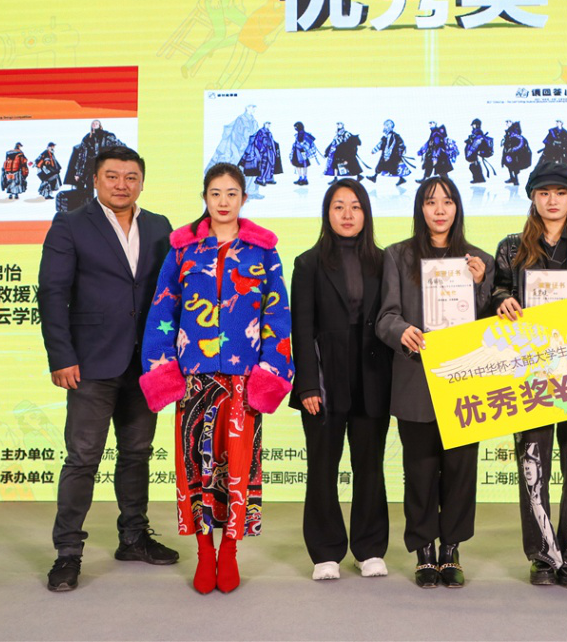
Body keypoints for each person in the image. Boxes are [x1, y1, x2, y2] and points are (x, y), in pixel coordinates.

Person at [138, 162, 293, 595]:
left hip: (244, 381)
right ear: (205, 198)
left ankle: (230, 550)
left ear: (244, 198)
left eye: (232, 194)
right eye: (215, 194)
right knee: (196, 465)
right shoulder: (183, 249)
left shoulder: (263, 251)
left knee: (239, 468)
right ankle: (204, 551)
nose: (223, 202)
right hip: (195, 379)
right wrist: (162, 368)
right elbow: (162, 309)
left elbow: (278, 315)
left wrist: (270, 371)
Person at [37, 145, 177, 592]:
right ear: (95, 180)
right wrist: (61, 356)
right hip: (90, 363)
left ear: (142, 182)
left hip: (146, 363)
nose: (122, 184)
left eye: (131, 177)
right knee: (82, 458)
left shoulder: (159, 226)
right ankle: (68, 553)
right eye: (112, 176)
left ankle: (133, 537)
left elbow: (171, 292)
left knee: (137, 453)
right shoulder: (70, 224)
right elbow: (52, 292)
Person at [491, 163, 567, 589]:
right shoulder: (511, 247)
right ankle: (542, 555)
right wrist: (502, 299)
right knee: (532, 467)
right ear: (533, 198)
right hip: (530, 373)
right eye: (544, 192)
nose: (552, 200)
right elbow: (497, 289)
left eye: (561, 192)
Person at [376, 176, 493, 589]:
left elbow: (491, 327)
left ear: (458, 208)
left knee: (461, 469)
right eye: (430, 202)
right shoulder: (398, 256)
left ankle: (451, 550)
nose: (439, 209)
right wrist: (402, 331)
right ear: (420, 209)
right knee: (420, 470)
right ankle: (424, 550)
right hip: (416, 378)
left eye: (447, 201)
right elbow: (385, 317)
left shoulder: (480, 261)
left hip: (465, 381)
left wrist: (480, 287)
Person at [291, 179, 392, 581]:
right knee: (322, 466)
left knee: (370, 466)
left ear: (366, 213)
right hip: (324, 378)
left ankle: (369, 549)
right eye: (338, 206)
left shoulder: (385, 261)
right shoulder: (308, 263)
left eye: (355, 206)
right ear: (327, 213)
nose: (347, 214)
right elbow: (301, 328)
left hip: (372, 376)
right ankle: (326, 551)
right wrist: (307, 384)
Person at [367, 119, 411, 186]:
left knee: (393, 168)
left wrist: (387, 156)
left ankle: (401, 179)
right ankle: (374, 177)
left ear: (389, 127)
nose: (384, 127)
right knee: (381, 166)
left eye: (385, 126)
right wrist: (374, 150)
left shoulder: (393, 136)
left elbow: (389, 146)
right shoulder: (386, 136)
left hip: (392, 156)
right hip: (388, 155)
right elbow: (381, 144)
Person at [463, 119, 495, 184]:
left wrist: (471, 151)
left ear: (477, 125)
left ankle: (479, 178)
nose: (472, 126)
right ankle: (477, 178)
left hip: (475, 153)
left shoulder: (478, 133)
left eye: (473, 125)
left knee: (474, 166)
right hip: (474, 153)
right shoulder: (475, 133)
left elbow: (476, 143)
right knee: (473, 165)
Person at [501, 120, 532, 186]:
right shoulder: (509, 131)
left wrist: (514, 149)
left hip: (515, 153)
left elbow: (520, 141)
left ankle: (516, 180)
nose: (506, 124)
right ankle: (512, 178)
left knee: (514, 165)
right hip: (509, 151)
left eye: (508, 122)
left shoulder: (514, 131)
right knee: (509, 164)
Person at [290, 121, 320, 186]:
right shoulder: (300, 134)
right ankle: (302, 178)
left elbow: (306, 143)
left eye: (296, 127)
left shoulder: (304, 134)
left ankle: (303, 179)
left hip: (301, 152)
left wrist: (303, 147)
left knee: (302, 165)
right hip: (298, 151)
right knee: (301, 165)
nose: (295, 128)